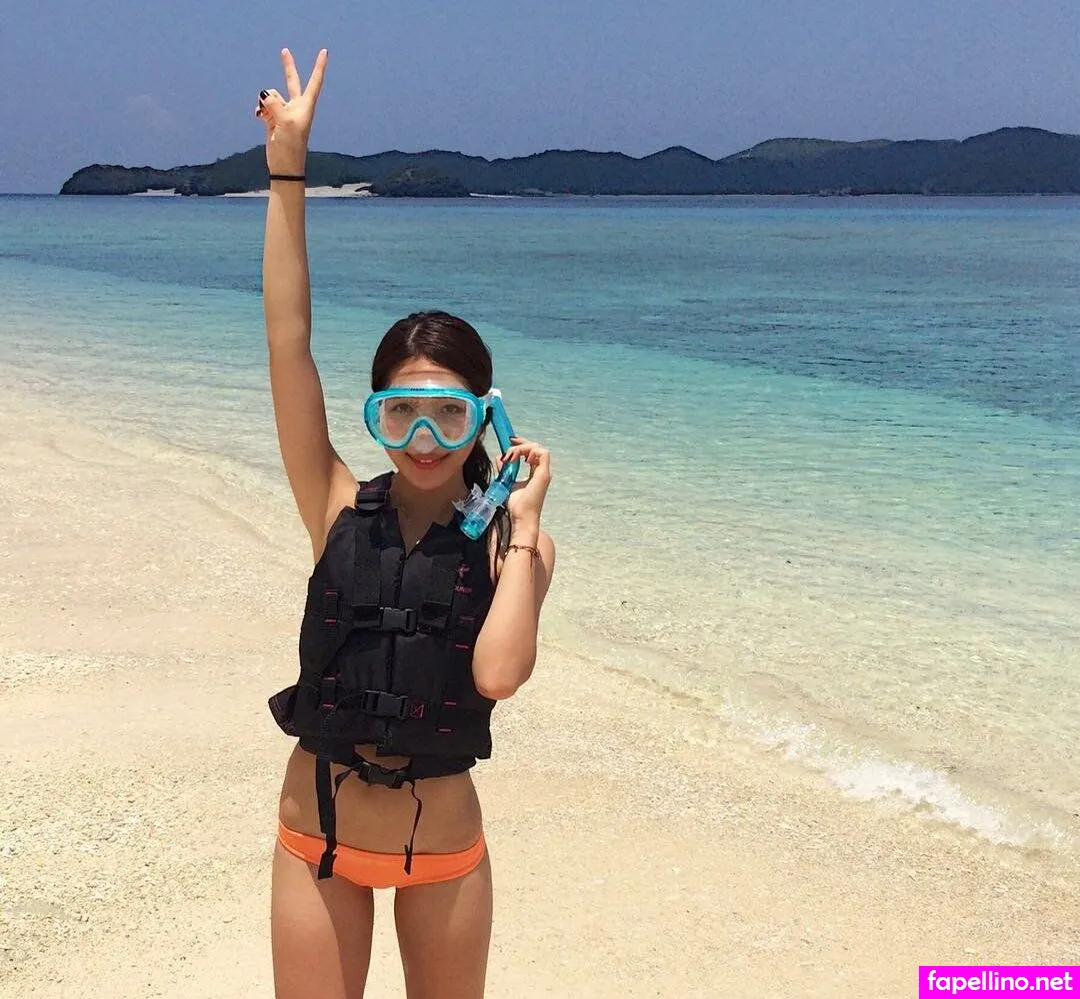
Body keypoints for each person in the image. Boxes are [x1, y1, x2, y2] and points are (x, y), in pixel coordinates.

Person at [256, 48, 556, 999]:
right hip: (318, 838)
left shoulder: (515, 543)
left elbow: (498, 674)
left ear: (487, 419)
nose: (424, 439)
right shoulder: (336, 504)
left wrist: (522, 523)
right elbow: (288, 342)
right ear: (375, 417)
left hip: (444, 852)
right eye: (401, 414)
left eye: (449, 415)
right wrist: (288, 174)